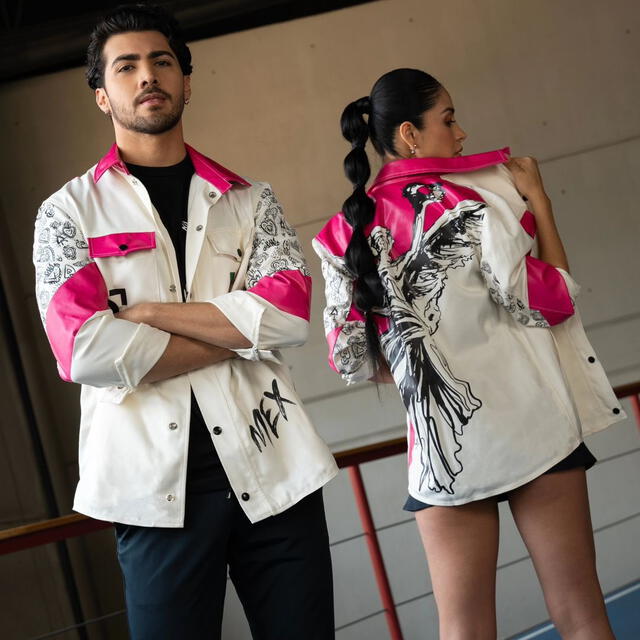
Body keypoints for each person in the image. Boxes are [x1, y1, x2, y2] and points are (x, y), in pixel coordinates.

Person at [33, 4, 337, 638]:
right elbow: (84, 351)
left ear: (187, 82)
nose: (148, 76)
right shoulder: (67, 215)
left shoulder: (251, 201)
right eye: (127, 66)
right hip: (152, 498)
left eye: (162, 61)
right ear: (101, 94)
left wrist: (144, 316)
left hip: (275, 472)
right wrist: (236, 335)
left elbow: (287, 317)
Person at [313, 68, 625, 640]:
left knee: (462, 630)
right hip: (532, 426)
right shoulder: (476, 199)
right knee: (580, 613)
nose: (460, 134)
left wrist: (424, 361)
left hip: (442, 450)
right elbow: (550, 302)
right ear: (409, 133)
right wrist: (540, 199)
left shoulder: (341, 233)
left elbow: (350, 360)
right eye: (449, 119)